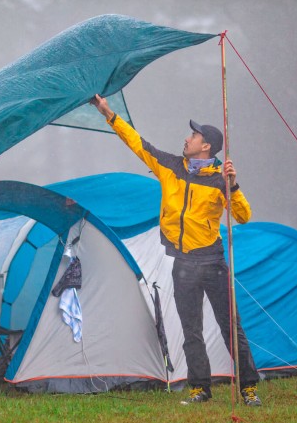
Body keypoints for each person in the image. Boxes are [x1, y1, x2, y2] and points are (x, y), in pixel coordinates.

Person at [90, 94, 261, 406]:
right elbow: (137, 144)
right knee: (190, 330)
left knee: (230, 328)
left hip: (212, 262)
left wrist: (232, 186)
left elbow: (243, 216)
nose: (188, 138)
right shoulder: (170, 166)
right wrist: (109, 114)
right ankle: (200, 388)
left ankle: (249, 388)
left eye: (194, 135)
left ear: (206, 145)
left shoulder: (220, 178)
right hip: (182, 264)